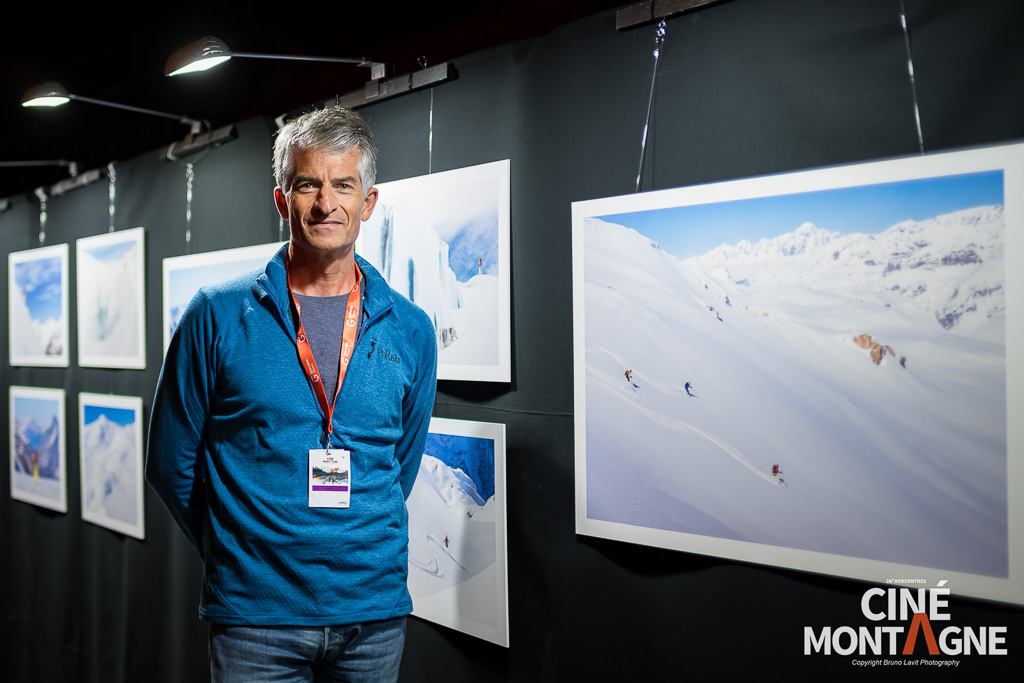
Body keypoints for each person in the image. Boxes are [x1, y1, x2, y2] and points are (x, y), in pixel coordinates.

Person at [146, 107, 438, 682]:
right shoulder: (217, 313)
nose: (326, 203)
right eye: (308, 183)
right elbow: (169, 463)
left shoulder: (411, 327)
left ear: (369, 203)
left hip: (372, 616)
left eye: (344, 185)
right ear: (283, 200)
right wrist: (240, 548)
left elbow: (398, 466)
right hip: (256, 620)